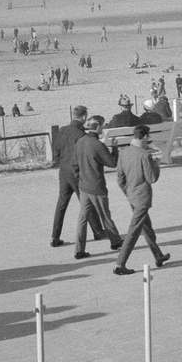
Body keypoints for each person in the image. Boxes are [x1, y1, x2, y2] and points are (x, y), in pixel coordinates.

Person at [114, 126, 170, 275]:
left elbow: (120, 178)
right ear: (144, 137)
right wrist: (156, 164)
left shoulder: (124, 152)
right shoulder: (144, 155)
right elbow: (152, 178)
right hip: (142, 197)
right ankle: (120, 263)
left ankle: (158, 255)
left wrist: (128, 192)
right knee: (134, 231)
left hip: (131, 195)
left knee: (147, 227)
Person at [50, 105, 104, 247]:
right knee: (87, 202)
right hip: (77, 172)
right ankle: (98, 231)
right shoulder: (82, 135)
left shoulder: (61, 131)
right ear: (84, 117)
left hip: (63, 172)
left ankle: (55, 236)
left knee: (61, 204)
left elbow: (55, 153)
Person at [73, 117, 124, 260]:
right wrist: (114, 148)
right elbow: (112, 163)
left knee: (82, 219)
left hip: (84, 186)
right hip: (96, 186)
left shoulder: (80, 141)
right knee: (105, 216)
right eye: (102, 126)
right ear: (96, 128)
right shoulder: (97, 145)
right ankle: (115, 241)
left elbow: (75, 164)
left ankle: (79, 249)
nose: (103, 129)